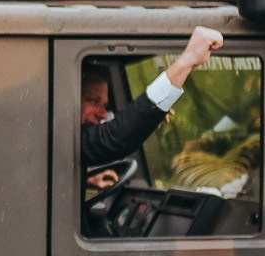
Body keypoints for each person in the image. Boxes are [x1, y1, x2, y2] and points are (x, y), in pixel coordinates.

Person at [82, 25, 226, 188]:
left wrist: (86, 179)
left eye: (105, 105)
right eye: (93, 101)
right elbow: (113, 138)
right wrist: (188, 59)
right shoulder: (61, 131)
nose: (102, 114)